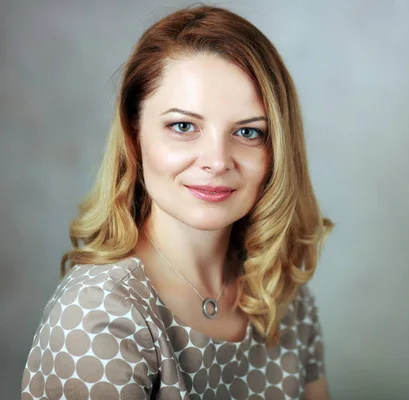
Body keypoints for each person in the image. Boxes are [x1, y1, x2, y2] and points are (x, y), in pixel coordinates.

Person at [21, 5, 332, 399]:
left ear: (278, 150)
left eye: (249, 132)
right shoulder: (97, 316)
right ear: (135, 135)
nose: (217, 161)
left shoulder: (280, 288)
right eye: (183, 126)